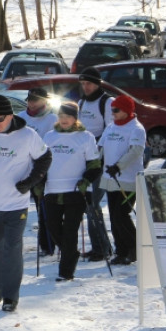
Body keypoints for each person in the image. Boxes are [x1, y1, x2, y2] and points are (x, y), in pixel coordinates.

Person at [0, 94, 51, 312]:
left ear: (10, 115)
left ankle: (11, 295)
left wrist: (30, 182)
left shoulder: (27, 136)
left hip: (16, 204)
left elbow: (45, 158)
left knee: (12, 247)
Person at [42, 102, 101, 282]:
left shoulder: (85, 137)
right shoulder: (49, 136)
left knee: (70, 231)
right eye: (61, 116)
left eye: (68, 116)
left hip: (76, 191)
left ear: (75, 118)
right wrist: (38, 181)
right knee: (52, 228)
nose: (64, 120)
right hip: (52, 191)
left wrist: (86, 181)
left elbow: (95, 165)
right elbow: (42, 162)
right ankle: (71, 253)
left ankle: (65, 271)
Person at [99, 95, 146, 265]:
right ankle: (121, 250)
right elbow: (101, 146)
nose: (113, 113)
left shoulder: (136, 129)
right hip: (110, 178)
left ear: (127, 110)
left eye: (116, 110)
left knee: (121, 215)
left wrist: (118, 166)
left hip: (127, 180)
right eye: (112, 110)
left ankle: (135, 248)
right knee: (113, 216)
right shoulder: (111, 126)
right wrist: (97, 162)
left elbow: (135, 152)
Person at [77, 67, 116, 262]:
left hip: (100, 161)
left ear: (97, 84)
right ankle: (100, 246)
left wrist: (98, 157)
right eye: (83, 84)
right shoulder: (82, 102)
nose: (85, 87)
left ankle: (102, 248)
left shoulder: (107, 102)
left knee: (92, 203)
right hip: (84, 159)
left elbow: (110, 132)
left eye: (89, 83)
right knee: (89, 204)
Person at [18, 87, 58, 257]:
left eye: (35, 99)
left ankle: (47, 244)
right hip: (23, 169)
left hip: (44, 169)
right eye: (29, 99)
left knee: (45, 209)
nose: (32, 102)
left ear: (45, 100)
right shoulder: (20, 118)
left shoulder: (52, 119)